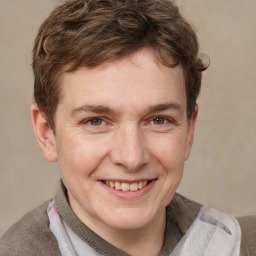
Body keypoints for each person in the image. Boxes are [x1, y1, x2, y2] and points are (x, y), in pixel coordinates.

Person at [0, 0, 255, 255]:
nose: (132, 158)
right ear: (47, 133)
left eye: (158, 120)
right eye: (96, 121)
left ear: (189, 131)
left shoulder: (240, 244)